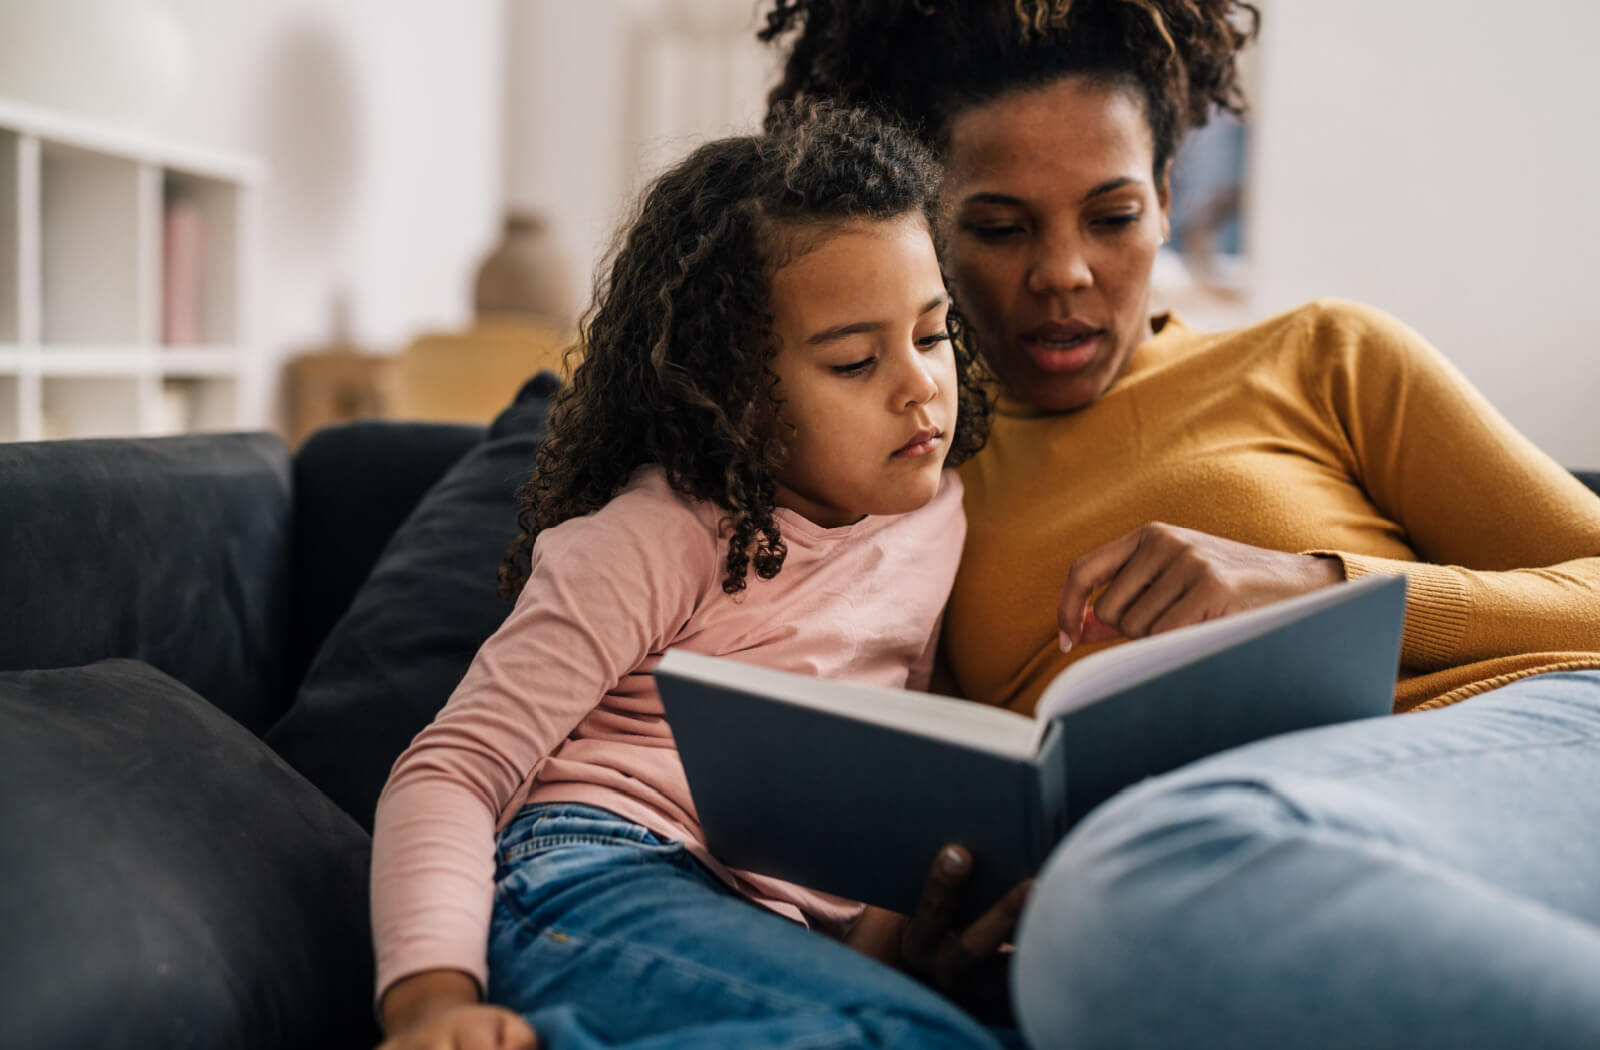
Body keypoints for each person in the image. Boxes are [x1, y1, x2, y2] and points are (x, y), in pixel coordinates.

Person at [759, 2, 1600, 1047]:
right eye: (1000, 226)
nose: (1062, 272)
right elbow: (929, 824)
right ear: (929, 235)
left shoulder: (1320, 355)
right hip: (1218, 872)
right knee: (1098, 936)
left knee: (1133, 888)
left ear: (1163, 202)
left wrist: (1319, 586)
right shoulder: (909, 482)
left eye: (1109, 217)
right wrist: (930, 941)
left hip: (1516, 740)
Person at [369, 103, 1033, 1050]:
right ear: (739, 391)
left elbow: (866, 808)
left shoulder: (935, 515)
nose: (920, 384)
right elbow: (452, 768)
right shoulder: (657, 533)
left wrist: (913, 938)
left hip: (765, 931)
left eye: (931, 336)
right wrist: (431, 1003)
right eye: (854, 359)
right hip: (590, 872)